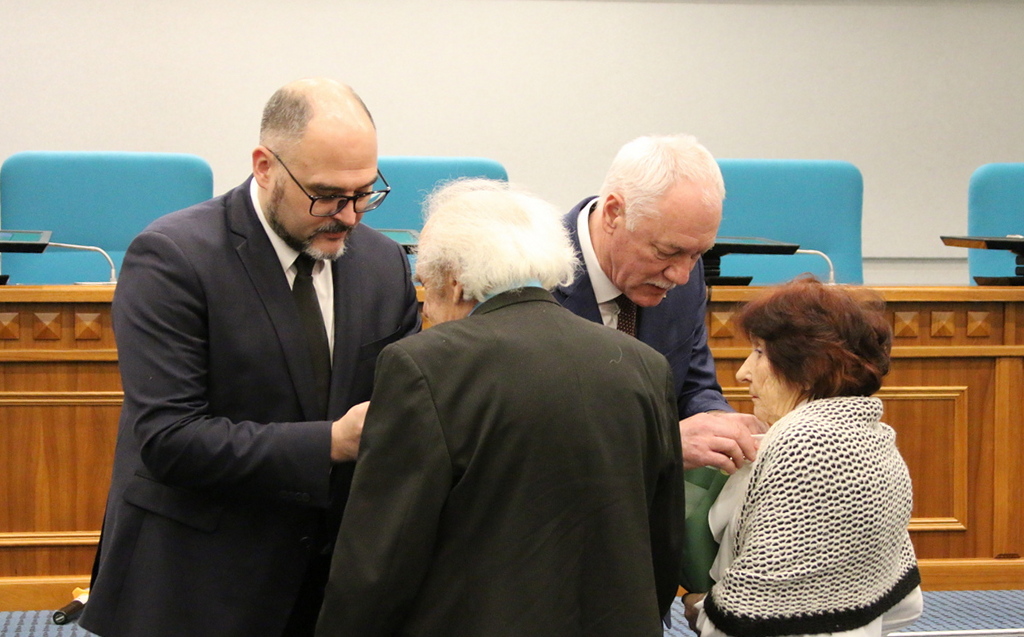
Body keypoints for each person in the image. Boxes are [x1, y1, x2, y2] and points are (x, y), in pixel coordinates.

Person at [79, 78, 420, 637]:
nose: (350, 216)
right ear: (264, 167)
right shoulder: (174, 258)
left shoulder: (383, 263)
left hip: (333, 585)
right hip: (199, 583)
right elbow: (169, 439)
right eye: (327, 195)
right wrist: (332, 441)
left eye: (365, 192)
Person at [315, 178, 685, 637]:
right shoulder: (645, 366)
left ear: (455, 281)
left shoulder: (424, 367)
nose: (426, 310)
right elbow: (663, 547)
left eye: (426, 286)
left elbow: (379, 562)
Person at [684, 277, 923, 637]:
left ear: (809, 368)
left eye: (760, 353)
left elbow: (748, 616)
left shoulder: (803, 445)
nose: (743, 373)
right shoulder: (874, 437)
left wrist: (703, 608)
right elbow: (902, 604)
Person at [553, 134, 765, 475]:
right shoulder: (525, 277)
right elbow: (524, 433)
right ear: (613, 213)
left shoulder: (685, 274)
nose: (681, 275)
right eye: (666, 252)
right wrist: (660, 445)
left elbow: (692, 385)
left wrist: (717, 420)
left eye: (697, 254)